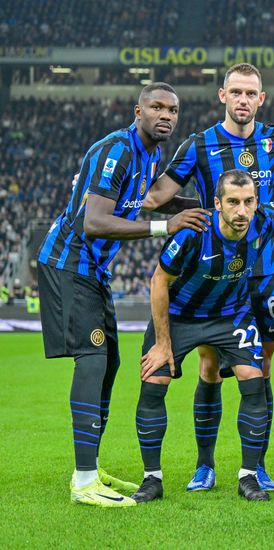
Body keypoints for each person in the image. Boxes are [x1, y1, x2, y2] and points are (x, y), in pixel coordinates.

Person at [36, 83, 210, 507]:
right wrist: (165, 228)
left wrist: (212, 203)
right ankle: (82, 481)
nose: (165, 114)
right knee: (92, 361)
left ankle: (91, 469)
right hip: (68, 264)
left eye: (172, 109)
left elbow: (146, 202)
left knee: (110, 363)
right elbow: (94, 221)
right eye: (156, 107)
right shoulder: (117, 150)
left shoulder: (150, 155)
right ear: (138, 111)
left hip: (93, 272)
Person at [143, 63, 274, 492]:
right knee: (209, 365)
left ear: (261, 99)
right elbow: (155, 197)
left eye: (252, 93)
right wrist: (196, 213)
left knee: (261, 369)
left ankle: (256, 466)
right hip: (215, 271)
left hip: (263, 272)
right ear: (222, 96)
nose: (244, 100)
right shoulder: (199, 144)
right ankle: (205, 465)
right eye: (237, 92)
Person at [131, 170, 274, 503]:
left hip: (230, 315)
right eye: (233, 202)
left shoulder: (264, 219)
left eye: (249, 202)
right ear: (217, 203)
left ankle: (249, 476)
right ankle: (152, 479)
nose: (242, 211)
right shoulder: (194, 233)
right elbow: (159, 281)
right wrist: (163, 344)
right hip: (181, 316)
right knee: (154, 383)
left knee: (254, 379)